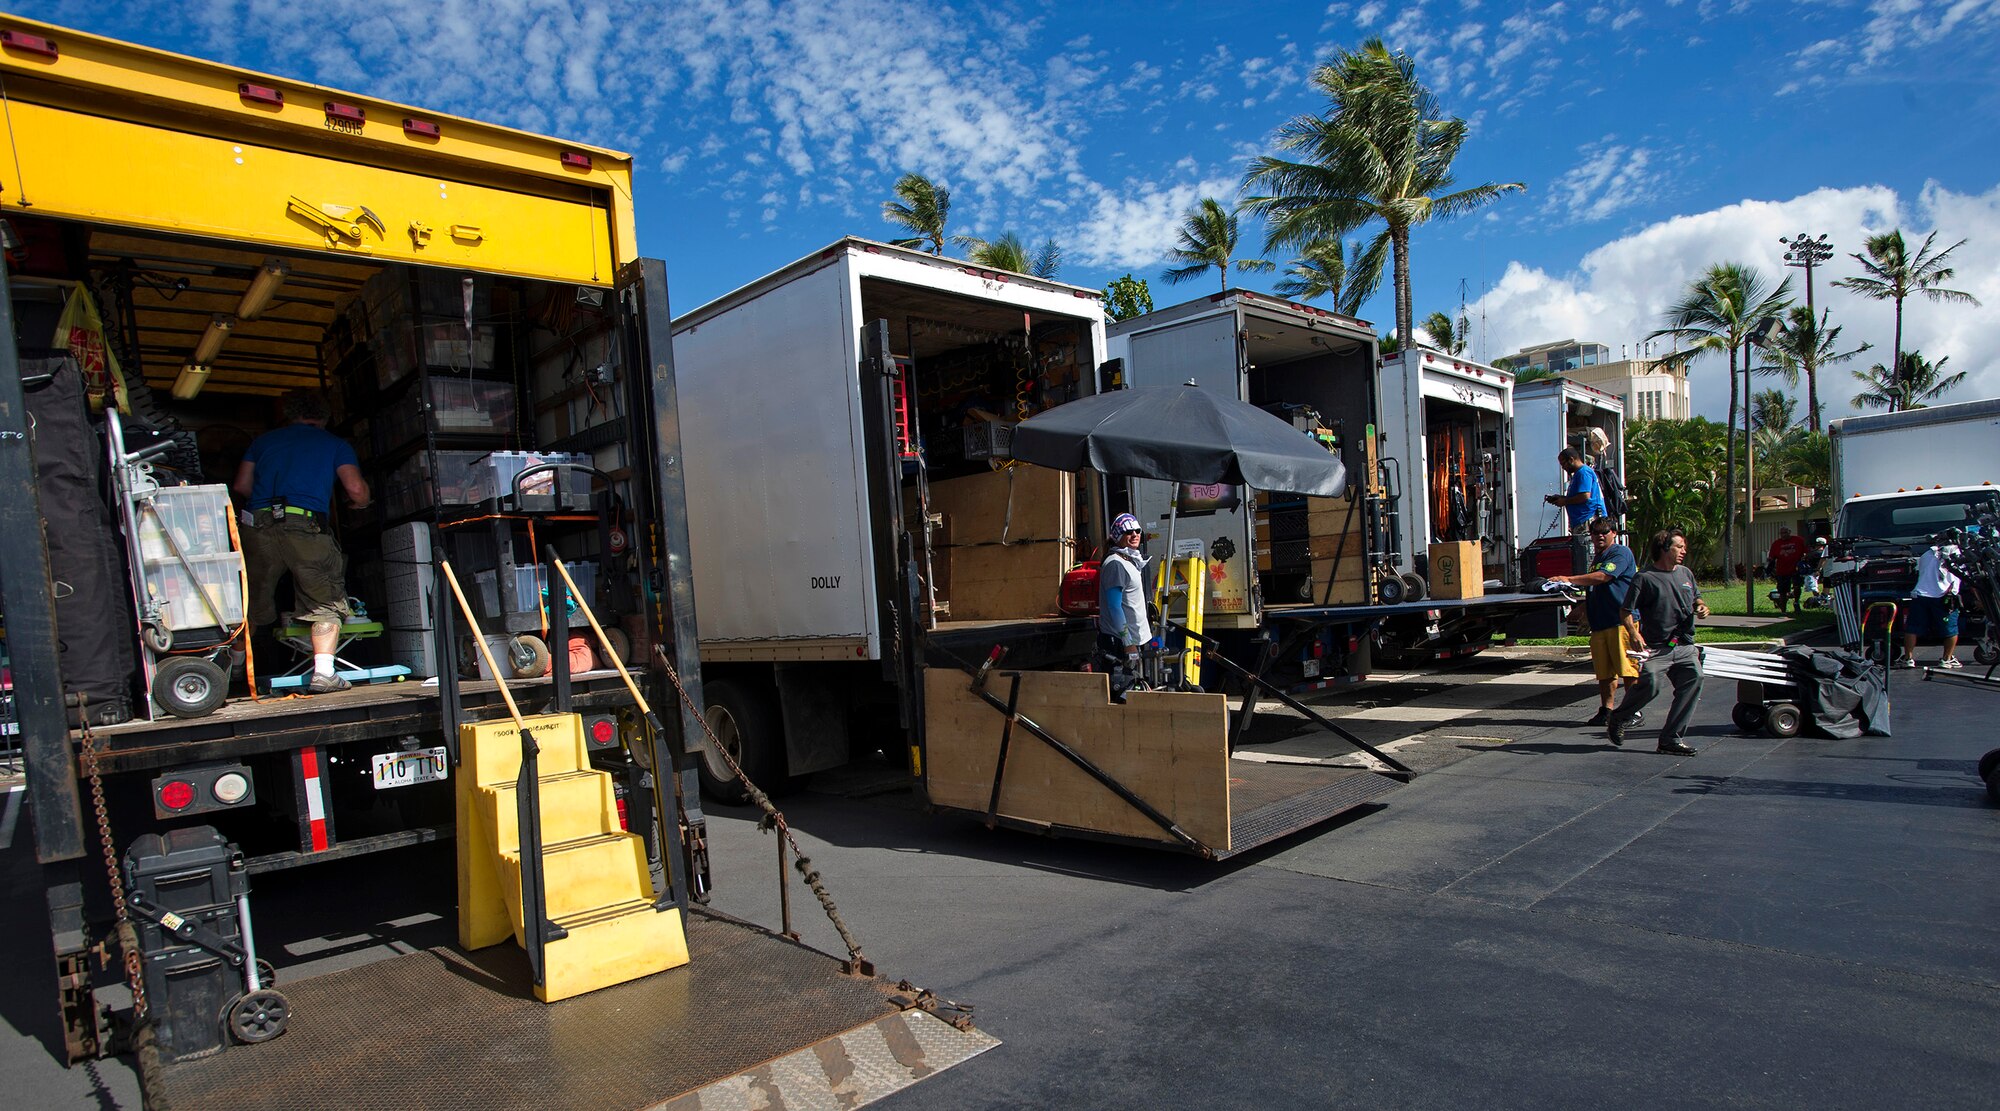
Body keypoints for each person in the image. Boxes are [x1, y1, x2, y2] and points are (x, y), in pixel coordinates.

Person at [233, 390, 371, 694]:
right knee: (324, 600)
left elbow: (242, 485)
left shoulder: (263, 441)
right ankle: (323, 673)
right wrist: (359, 504)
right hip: (305, 525)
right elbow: (356, 489)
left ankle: (233, 668)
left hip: (258, 526)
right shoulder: (334, 444)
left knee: (249, 600)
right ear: (324, 417)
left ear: (290, 414)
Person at [1608, 528, 1710, 755]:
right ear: (1664, 549)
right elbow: (1625, 611)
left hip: (1683, 644)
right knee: (1651, 684)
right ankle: (1619, 717)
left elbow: (1697, 598)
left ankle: (1670, 739)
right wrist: (1634, 634)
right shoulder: (1644, 578)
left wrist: (1701, 607)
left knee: (1694, 679)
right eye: (1679, 547)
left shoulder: (1685, 574)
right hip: (1657, 648)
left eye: (1684, 547)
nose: (1684, 551)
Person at [1548, 516, 1640, 726]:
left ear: (1614, 533)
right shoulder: (1597, 558)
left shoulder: (1620, 553)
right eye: (1595, 532)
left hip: (1620, 622)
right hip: (1600, 622)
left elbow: (1603, 578)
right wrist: (1583, 608)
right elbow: (1597, 587)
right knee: (1605, 672)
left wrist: (1568, 579)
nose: (1599, 535)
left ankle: (1633, 710)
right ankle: (1606, 710)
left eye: (1605, 531)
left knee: (1628, 668)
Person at [1098, 513, 1152, 700]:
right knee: (1122, 697)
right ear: (1118, 535)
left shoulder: (1128, 561)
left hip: (1129, 642)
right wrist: (1128, 643)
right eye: (1128, 531)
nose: (1135, 534)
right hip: (1119, 643)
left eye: (1137, 530)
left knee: (1134, 694)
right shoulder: (1115, 564)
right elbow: (1114, 607)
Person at [1899, 536, 1963, 669]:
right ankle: (1947, 659)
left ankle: (1908, 658)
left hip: (1921, 595)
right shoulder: (1957, 554)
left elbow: (1920, 572)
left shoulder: (1926, 554)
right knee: (1950, 629)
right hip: (1945, 596)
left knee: (1912, 628)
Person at [1543, 446, 1605, 535]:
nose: (1563, 467)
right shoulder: (1577, 474)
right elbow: (1578, 495)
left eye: (1563, 464)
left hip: (1587, 519)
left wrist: (1565, 501)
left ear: (1571, 459)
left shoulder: (1583, 473)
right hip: (1580, 520)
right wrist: (1561, 498)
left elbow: (1585, 496)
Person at [1767, 526, 1808, 613]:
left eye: (1785, 532)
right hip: (1782, 570)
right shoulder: (1776, 544)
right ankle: (1783, 610)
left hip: (1796, 569)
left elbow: (1806, 552)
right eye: (1782, 533)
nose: (1783, 535)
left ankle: (1796, 602)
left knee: (1797, 586)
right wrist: (1770, 568)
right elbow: (1772, 558)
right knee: (1782, 591)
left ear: (1789, 532)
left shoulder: (1798, 540)